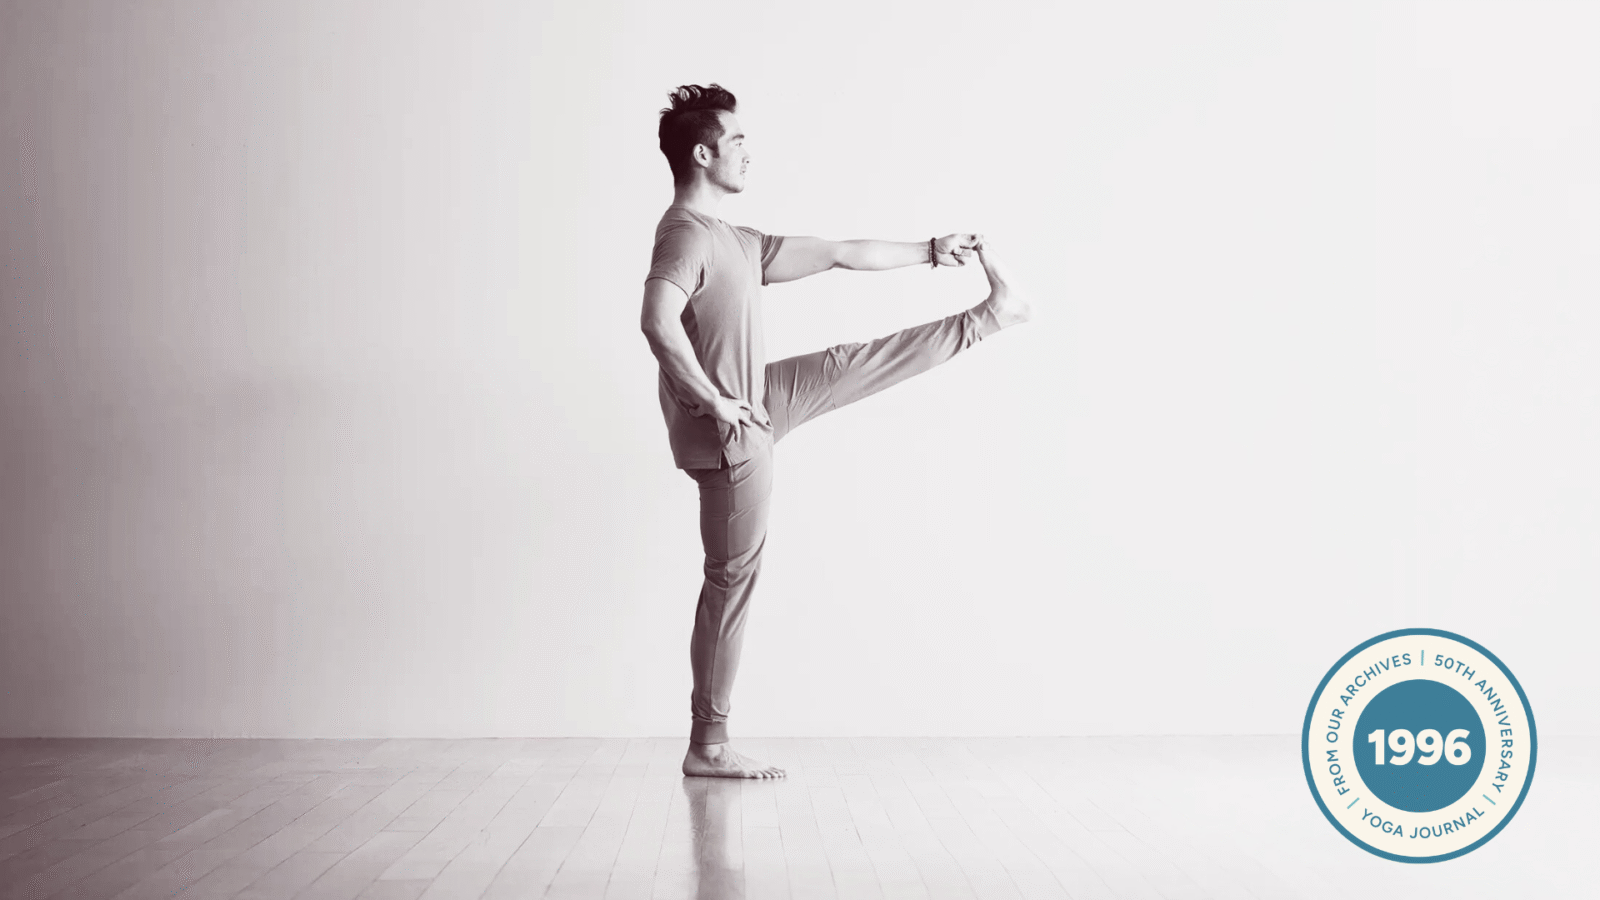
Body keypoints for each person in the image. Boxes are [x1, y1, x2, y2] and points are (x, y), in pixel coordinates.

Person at [640, 84, 1031, 778]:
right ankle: (709, 745)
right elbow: (657, 322)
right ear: (702, 154)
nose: (748, 154)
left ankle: (991, 315)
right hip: (732, 436)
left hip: (761, 399)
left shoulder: (734, 238)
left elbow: (842, 252)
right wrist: (712, 400)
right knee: (731, 582)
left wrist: (931, 250)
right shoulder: (684, 235)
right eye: (737, 143)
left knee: (852, 361)